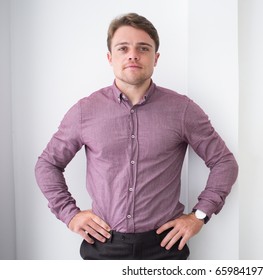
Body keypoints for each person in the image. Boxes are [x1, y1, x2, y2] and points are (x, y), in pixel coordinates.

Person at [35, 12, 238, 260]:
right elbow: (47, 164)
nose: (133, 54)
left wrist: (199, 216)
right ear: (110, 58)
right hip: (103, 244)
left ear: (156, 58)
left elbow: (224, 162)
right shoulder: (84, 111)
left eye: (143, 48)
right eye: (123, 48)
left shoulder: (183, 110)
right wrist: (70, 214)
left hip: (165, 247)